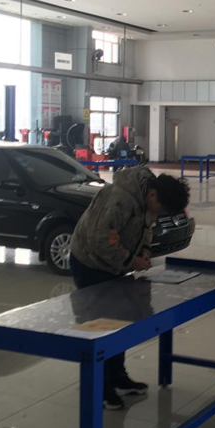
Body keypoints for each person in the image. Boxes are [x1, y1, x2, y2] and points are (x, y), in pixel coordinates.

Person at [69, 165, 191, 410]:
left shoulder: (148, 198)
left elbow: (147, 228)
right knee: (101, 325)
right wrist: (130, 261)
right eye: (160, 209)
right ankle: (100, 386)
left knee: (120, 320)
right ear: (153, 194)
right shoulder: (120, 199)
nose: (157, 214)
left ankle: (117, 376)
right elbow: (100, 239)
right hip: (90, 263)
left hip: (114, 264)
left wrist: (144, 251)